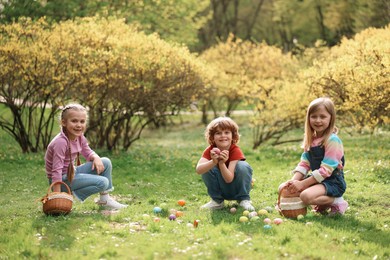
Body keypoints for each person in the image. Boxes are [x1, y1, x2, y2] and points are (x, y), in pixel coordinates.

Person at [45, 103, 127, 210]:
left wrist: (96, 157)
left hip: (72, 172)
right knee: (103, 182)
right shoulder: (60, 142)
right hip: (61, 181)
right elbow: (56, 170)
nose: (79, 125)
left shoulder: (79, 137)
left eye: (82, 121)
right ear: (64, 122)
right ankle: (70, 194)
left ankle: (105, 200)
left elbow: (87, 152)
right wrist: (57, 195)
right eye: (74, 121)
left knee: (105, 162)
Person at [278, 97, 348, 215]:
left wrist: (302, 184)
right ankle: (321, 203)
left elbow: (326, 171)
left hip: (332, 181)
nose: (318, 120)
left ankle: (336, 201)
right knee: (283, 188)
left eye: (323, 116)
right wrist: (293, 181)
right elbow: (304, 164)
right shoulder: (312, 139)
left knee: (305, 196)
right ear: (308, 118)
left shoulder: (333, 140)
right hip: (317, 180)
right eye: (314, 116)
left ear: (331, 118)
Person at [196, 117, 255, 211]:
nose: (223, 136)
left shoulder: (235, 150)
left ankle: (243, 199)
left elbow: (229, 179)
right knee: (206, 166)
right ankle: (217, 201)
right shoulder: (210, 150)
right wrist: (213, 162)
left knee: (243, 166)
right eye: (218, 133)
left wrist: (221, 163)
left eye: (227, 132)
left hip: (235, 188)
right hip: (220, 189)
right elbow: (199, 170)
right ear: (212, 137)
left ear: (233, 135)